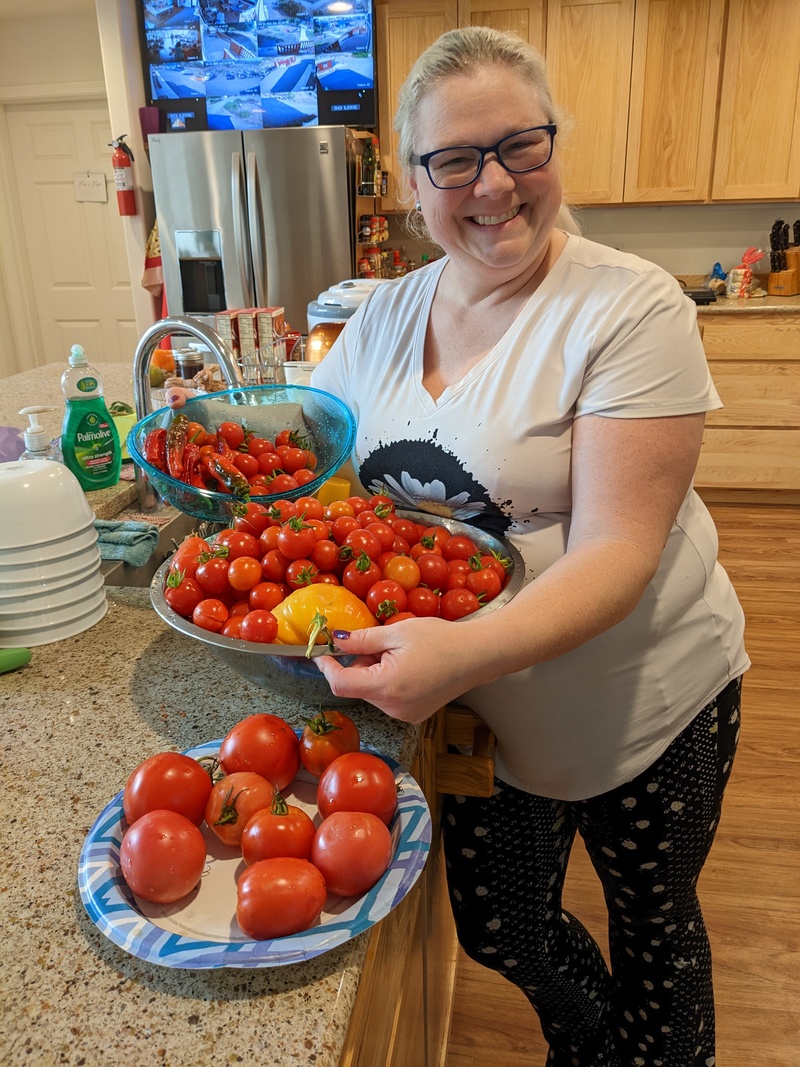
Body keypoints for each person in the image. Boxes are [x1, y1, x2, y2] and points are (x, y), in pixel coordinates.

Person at [311, 26, 748, 1067]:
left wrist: (457, 652)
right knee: (503, 928)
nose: (493, 184)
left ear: (552, 148)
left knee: (653, 924)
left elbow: (616, 550)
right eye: (454, 158)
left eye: (520, 145)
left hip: (643, 696)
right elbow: (318, 470)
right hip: (478, 720)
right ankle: (585, 1046)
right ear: (413, 186)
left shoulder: (626, 306)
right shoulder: (378, 315)